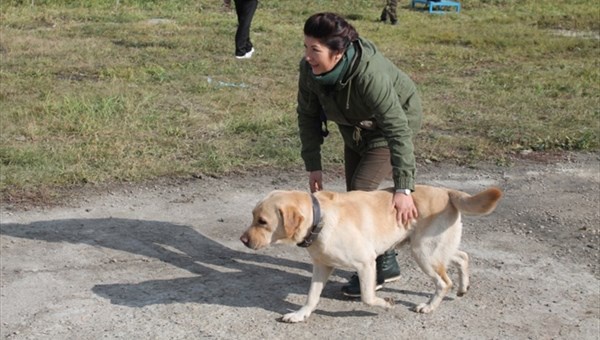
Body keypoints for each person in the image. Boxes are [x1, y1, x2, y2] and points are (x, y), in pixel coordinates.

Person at [296, 12, 422, 297]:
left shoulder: (369, 74)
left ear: (338, 53)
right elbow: (307, 115)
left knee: (359, 194)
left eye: (315, 50)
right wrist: (313, 165)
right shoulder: (310, 71)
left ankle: (371, 268)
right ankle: (386, 261)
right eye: (305, 47)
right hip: (354, 127)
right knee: (353, 192)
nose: (307, 56)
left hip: (389, 127)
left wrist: (404, 187)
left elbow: (397, 128)